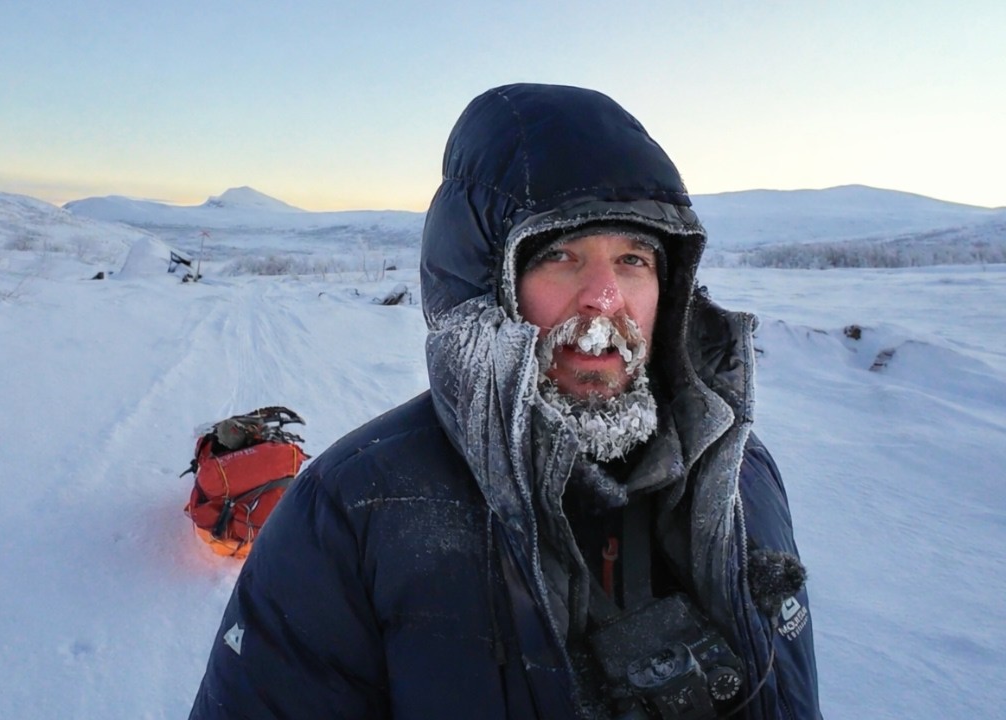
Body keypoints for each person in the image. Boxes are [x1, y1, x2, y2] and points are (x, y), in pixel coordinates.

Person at [189, 83, 822, 719]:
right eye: (559, 256)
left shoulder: (741, 476)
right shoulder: (352, 515)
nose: (605, 297)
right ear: (485, 291)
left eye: (633, 259)